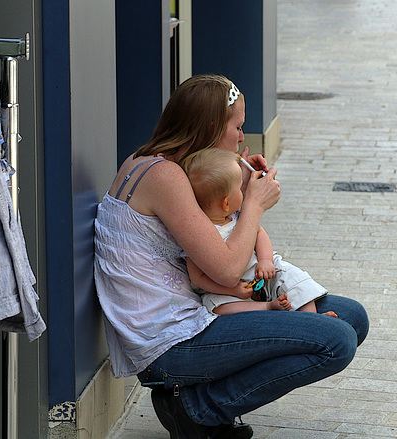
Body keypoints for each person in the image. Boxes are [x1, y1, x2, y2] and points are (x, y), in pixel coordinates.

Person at [94, 74, 369, 439]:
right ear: (210, 126)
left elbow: (215, 215)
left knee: (351, 317)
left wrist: (236, 173)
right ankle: (199, 409)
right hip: (170, 343)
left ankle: (198, 401)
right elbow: (226, 270)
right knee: (336, 340)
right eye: (237, 127)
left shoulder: (153, 160)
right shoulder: (165, 178)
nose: (243, 137)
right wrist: (253, 204)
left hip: (198, 317)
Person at [184, 148, 338, 317]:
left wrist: (265, 261)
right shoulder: (199, 232)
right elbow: (197, 278)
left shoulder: (236, 216)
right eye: (239, 188)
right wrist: (232, 290)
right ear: (226, 203)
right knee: (218, 305)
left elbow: (259, 232)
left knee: (292, 278)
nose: (243, 191)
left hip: (262, 274)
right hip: (227, 291)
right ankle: (268, 307)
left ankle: (311, 319)